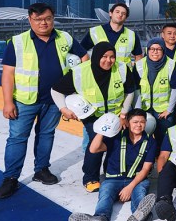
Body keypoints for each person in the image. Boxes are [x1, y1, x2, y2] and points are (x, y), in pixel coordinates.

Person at [0, 3, 87, 200]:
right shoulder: (18, 42)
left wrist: (76, 83)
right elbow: (8, 73)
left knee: (46, 135)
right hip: (25, 101)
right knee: (17, 138)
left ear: (53, 18)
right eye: (38, 19)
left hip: (55, 99)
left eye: (47, 18)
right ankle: (10, 178)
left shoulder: (65, 38)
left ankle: (41, 170)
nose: (43, 23)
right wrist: (7, 102)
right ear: (30, 20)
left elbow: (84, 57)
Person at [51, 41, 134, 192]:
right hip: (93, 116)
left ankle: (111, 172)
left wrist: (124, 114)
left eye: (112, 57)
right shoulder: (79, 72)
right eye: (104, 56)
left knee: (116, 143)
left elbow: (130, 91)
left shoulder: (122, 69)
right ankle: (90, 177)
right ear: (95, 57)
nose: (108, 60)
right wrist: (63, 108)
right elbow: (56, 90)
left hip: (116, 114)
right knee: (97, 143)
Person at [68, 108, 156, 221]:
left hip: (136, 181)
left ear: (146, 123)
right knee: (105, 193)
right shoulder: (116, 137)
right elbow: (94, 149)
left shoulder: (150, 142)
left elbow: (146, 169)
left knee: (140, 192)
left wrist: (130, 187)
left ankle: (140, 214)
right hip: (114, 179)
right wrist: (102, 130)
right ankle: (100, 219)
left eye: (142, 122)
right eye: (135, 122)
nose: (139, 125)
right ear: (128, 122)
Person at [134, 37, 176, 146]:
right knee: (143, 139)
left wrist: (169, 110)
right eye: (152, 49)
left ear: (163, 50)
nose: (155, 52)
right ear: (147, 50)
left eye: (159, 49)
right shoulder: (139, 65)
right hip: (144, 109)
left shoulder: (171, 64)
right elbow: (136, 89)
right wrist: (138, 110)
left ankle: (161, 160)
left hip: (163, 111)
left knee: (164, 140)